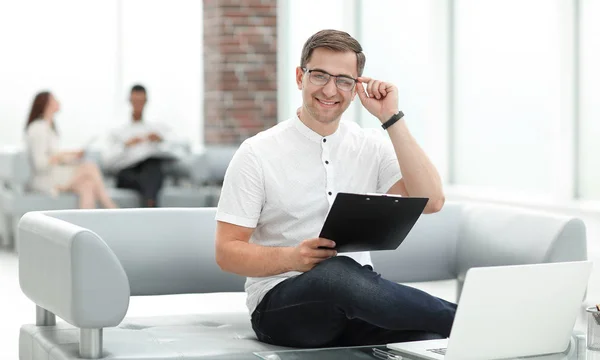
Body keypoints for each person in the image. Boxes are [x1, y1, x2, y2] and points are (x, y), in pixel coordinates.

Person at [215, 29, 457, 348]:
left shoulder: (370, 145)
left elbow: (432, 201)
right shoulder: (256, 152)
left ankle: (465, 325)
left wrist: (391, 118)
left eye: (343, 80)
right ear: (300, 77)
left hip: (359, 307)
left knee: (428, 340)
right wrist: (293, 258)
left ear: (356, 89)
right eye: (320, 76)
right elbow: (226, 252)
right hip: (283, 308)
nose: (330, 89)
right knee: (336, 272)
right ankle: (476, 318)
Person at [24, 91, 118, 209]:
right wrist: (63, 156)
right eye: (54, 99)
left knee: (87, 186)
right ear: (46, 103)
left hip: (54, 174)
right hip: (45, 180)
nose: (58, 101)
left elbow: (53, 155)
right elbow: (40, 164)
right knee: (89, 167)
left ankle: (87, 226)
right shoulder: (38, 128)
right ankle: (112, 208)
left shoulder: (50, 128)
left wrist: (71, 156)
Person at [103, 84, 175, 207]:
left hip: (149, 169)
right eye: (135, 101)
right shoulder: (117, 129)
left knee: (153, 166)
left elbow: (174, 155)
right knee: (151, 178)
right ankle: (151, 206)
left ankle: (149, 203)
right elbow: (108, 162)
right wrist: (126, 146)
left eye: (141, 102)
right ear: (129, 101)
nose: (138, 105)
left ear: (146, 102)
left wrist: (159, 142)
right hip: (126, 172)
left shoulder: (155, 128)